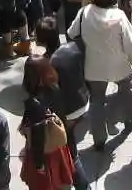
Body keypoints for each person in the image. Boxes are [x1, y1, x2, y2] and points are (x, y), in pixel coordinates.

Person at [68, 0, 132, 148]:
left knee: (97, 101)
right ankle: (130, 119)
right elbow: (130, 44)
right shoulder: (119, 16)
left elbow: (71, 33)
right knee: (127, 90)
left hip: (93, 68)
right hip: (119, 66)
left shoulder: (84, 12)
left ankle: (99, 140)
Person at [34, 17, 91, 185]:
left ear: (42, 39)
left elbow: (54, 97)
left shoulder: (47, 64)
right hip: (83, 102)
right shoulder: (73, 48)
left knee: (71, 152)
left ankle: (82, 185)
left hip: (69, 111)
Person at [20, 55, 80, 190]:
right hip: (59, 147)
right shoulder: (55, 89)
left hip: (45, 154)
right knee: (64, 182)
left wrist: (38, 164)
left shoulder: (33, 103)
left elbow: (37, 135)